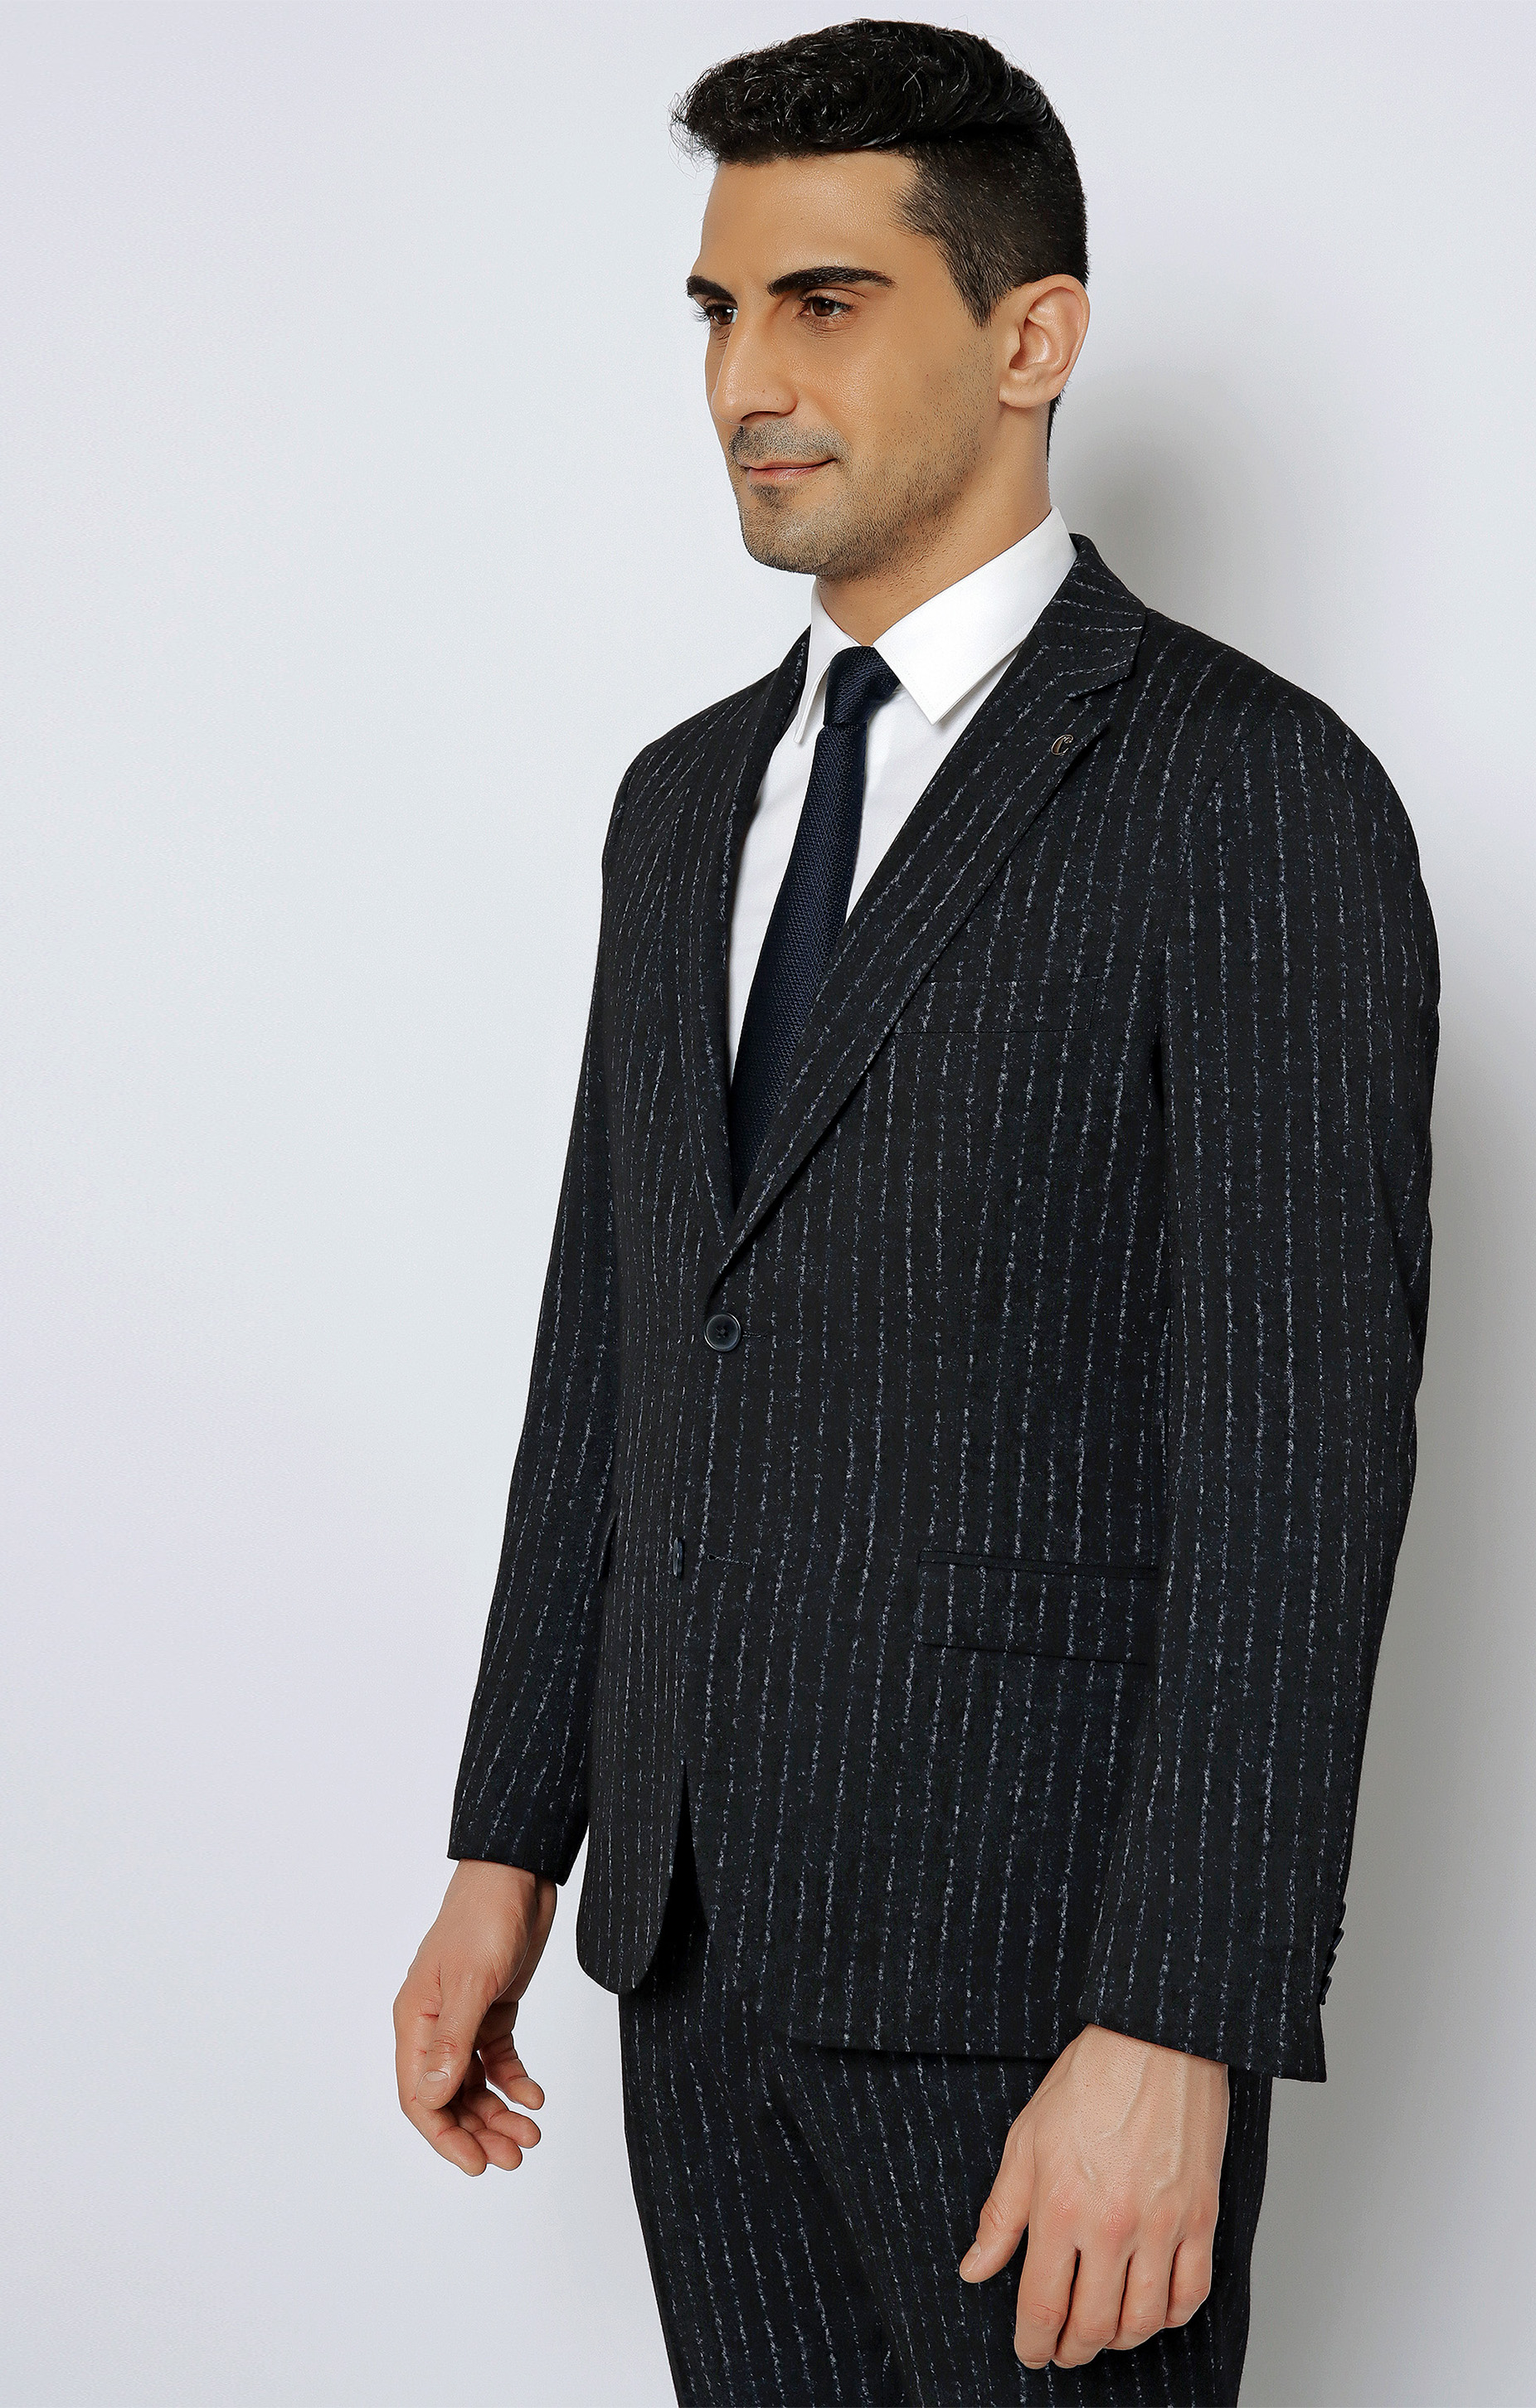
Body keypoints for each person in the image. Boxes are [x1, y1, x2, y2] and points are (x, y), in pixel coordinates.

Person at [391, 19, 1438, 2404]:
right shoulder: (684, 808)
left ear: (1032, 335)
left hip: (1038, 1978)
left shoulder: (1249, 794)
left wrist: (1178, 2020)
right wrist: (507, 1846)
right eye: (718, 311)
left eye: (826, 303)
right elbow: (612, 1353)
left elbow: (1298, 1468)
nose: (746, 379)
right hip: (683, 1948)